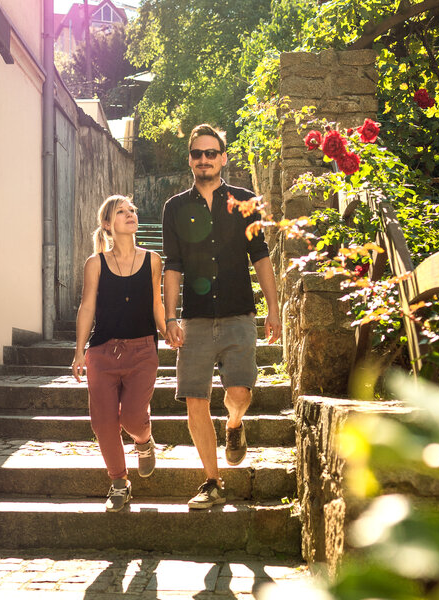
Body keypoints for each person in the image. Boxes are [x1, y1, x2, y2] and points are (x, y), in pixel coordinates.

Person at [162, 124, 282, 510]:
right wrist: (169, 316)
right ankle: (212, 482)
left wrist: (274, 308)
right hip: (194, 320)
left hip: (238, 314)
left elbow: (261, 257)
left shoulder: (245, 201)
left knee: (239, 393)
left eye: (211, 153)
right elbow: (173, 265)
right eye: (197, 154)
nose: (204, 159)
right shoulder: (175, 208)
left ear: (223, 158)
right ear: (191, 160)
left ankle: (233, 425)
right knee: (195, 399)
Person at [71, 194, 167, 512]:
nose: (130, 214)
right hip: (102, 352)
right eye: (121, 211)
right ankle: (118, 482)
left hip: (142, 350)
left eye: (132, 210)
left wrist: (167, 329)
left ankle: (143, 439)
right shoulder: (94, 263)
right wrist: (79, 351)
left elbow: (156, 302)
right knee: (103, 422)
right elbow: (87, 307)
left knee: (132, 417)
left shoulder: (153, 260)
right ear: (107, 224)